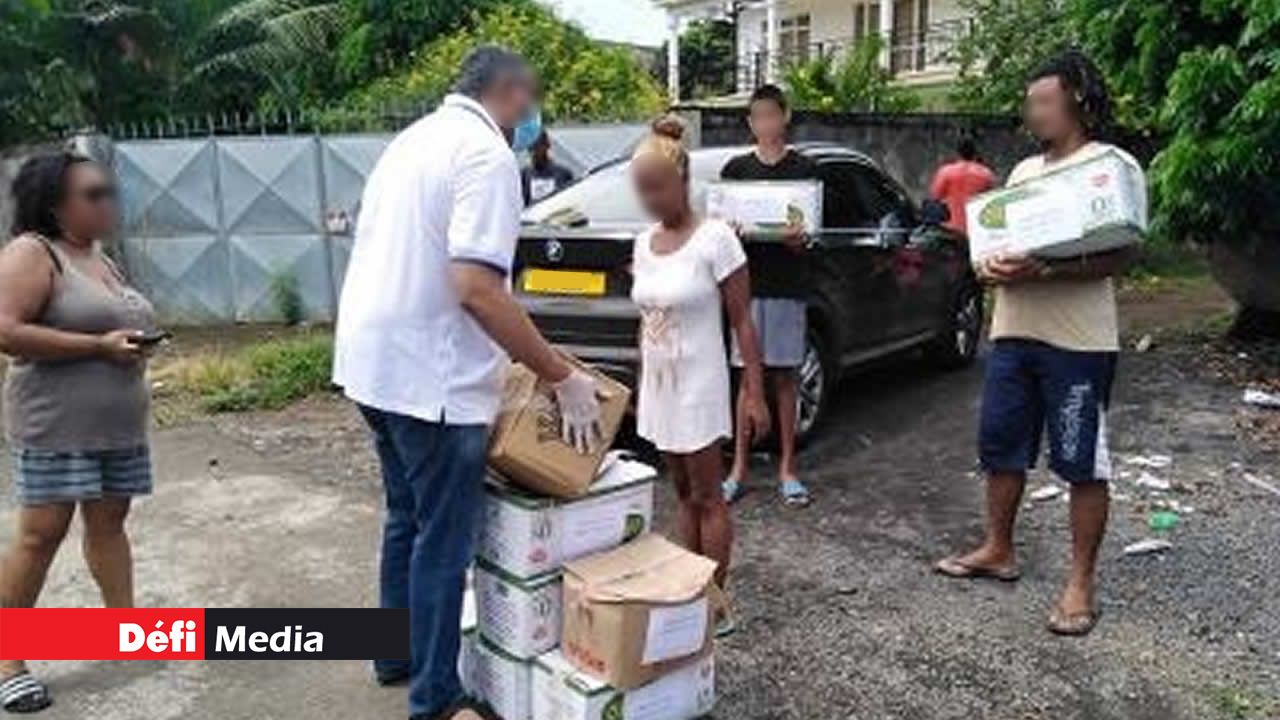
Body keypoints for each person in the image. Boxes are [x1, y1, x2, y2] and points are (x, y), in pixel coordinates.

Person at [332, 47, 602, 720]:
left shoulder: (414, 140)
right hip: (433, 382)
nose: (533, 114)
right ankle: (435, 699)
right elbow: (477, 289)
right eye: (531, 97)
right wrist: (559, 373)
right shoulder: (485, 155)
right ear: (509, 91)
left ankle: (394, 656)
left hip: (372, 367)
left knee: (406, 517)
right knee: (444, 542)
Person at [934, 50, 1146, 637]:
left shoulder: (1110, 164)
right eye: (1030, 103)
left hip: (1079, 343)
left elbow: (1125, 254)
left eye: (1044, 100)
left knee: (1081, 461)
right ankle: (998, 548)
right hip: (1013, 335)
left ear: (1076, 97)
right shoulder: (1025, 172)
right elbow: (999, 247)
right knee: (1000, 448)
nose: (1034, 112)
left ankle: (1080, 584)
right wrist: (989, 267)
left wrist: (1048, 270)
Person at [0, 152, 158, 713]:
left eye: (108, 191)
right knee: (41, 534)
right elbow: (6, 331)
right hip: (56, 425)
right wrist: (96, 347)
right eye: (92, 194)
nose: (107, 202)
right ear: (55, 205)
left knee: (109, 522)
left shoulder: (97, 256)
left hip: (116, 425)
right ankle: (9, 659)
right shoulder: (32, 252)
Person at [629, 115, 770, 635]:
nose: (649, 199)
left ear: (683, 181)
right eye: (642, 190)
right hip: (660, 386)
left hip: (700, 386)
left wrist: (753, 391)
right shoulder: (643, 243)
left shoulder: (716, 239)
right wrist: (639, 382)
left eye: (657, 188)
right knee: (682, 491)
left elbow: (742, 322)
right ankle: (691, 589)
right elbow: (646, 318)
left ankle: (716, 601)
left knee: (709, 495)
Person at [719, 84, 816, 508]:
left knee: (785, 377)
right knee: (746, 377)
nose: (766, 123)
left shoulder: (804, 169)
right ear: (750, 122)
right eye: (758, 116)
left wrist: (799, 240)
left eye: (772, 115)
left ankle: (788, 468)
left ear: (785, 116)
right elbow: (718, 232)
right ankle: (738, 469)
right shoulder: (736, 170)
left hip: (788, 285)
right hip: (746, 287)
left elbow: (811, 235)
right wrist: (729, 234)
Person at [929, 137, 996, 235]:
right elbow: (993, 202)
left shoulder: (945, 172)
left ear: (957, 153)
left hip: (951, 229)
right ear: (975, 153)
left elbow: (935, 197)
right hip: (977, 229)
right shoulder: (986, 174)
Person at [520, 130, 574, 206]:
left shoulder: (563, 174)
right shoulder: (524, 174)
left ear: (547, 145)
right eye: (530, 148)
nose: (533, 152)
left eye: (537, 147)